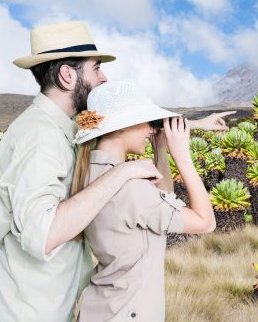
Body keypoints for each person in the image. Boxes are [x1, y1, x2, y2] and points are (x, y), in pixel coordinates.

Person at [0, 21, 233, 322]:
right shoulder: (39, 139)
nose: (104, 77)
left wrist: (198, 124)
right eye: (96, 68)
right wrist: (120, 174)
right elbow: (43, 234)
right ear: (67, 74)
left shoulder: (66, 127)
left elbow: (116, 124)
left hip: (59, 306)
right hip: (29, 312)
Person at [72, 80, 215, 321]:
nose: (151, 128)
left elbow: (163, 199)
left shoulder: (92, 173)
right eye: (146, 121)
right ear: (120, 127)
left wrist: (161, 148)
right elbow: (205, 223)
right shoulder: (129, 186)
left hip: (102, 309)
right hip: (128, 312)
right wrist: (182, 155)